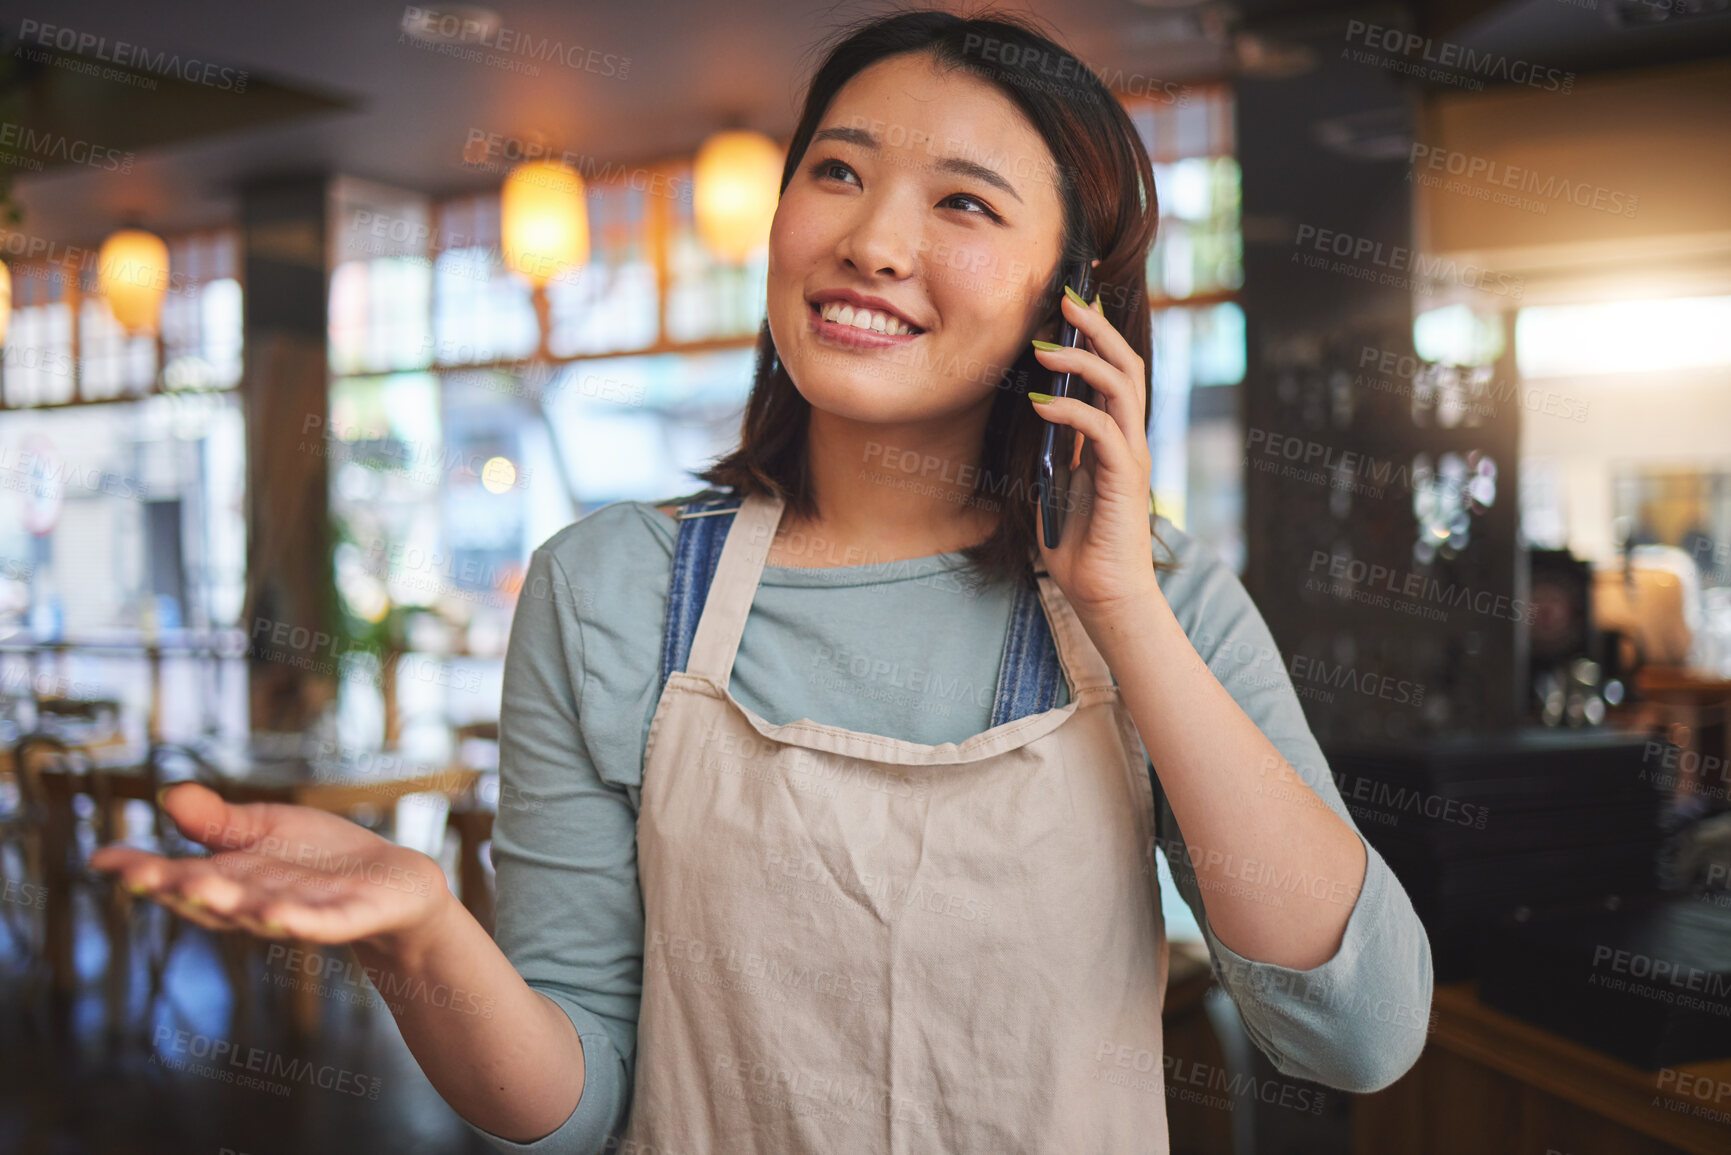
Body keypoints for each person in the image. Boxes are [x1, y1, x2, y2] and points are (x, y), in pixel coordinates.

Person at [93, 9, 1432, 1153]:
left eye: (964, 202)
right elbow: (572, 1107)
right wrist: (426, 942)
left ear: (1069, 300)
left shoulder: (1159, 605)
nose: (871, 241)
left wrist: (1122, 605)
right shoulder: (604, 590)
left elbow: (1356, 1034)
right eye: (837, 174)